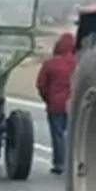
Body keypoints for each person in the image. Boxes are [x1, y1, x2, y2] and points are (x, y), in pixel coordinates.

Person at [35, 32, 76, 175]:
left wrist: (48, 99)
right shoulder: (79, 62)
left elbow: (41, 84)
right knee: (73, 135)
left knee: (57, 135)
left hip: (56, 104)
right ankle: (74, 164)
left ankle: (59, 164)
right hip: (74, 104)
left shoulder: (50, 63)